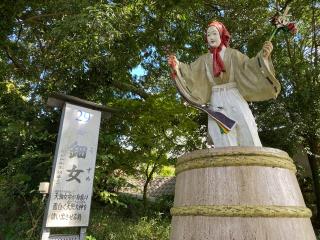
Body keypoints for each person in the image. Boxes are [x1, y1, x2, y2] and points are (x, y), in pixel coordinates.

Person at [168, 21, 280, 147]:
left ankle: (254, 161)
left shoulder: (233, 54)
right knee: (222, 135)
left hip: (234, 96)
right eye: (208, 35)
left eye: (214, 33)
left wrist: (263, 56)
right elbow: (190, 72)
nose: (211, 37)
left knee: (246, 127)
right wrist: (177, 65)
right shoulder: (204, 59)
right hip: (216, 101)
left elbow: (249, 67)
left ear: (221, 35)